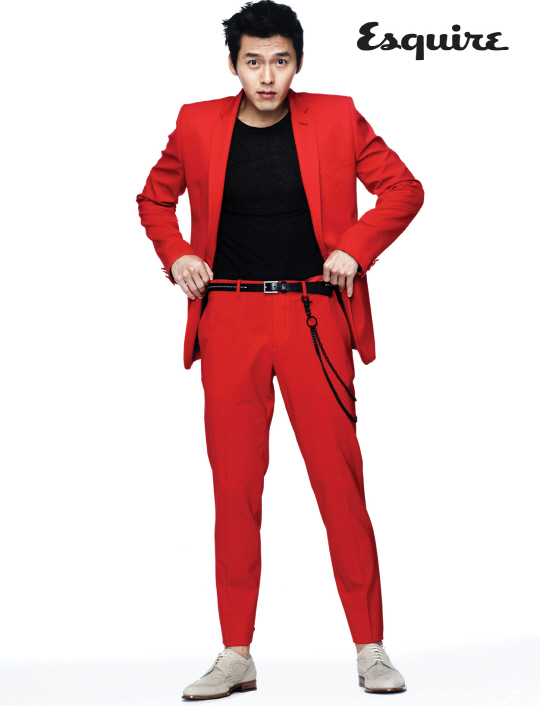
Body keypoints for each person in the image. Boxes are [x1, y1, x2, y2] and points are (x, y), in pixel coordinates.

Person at [136, 0, 424, 698]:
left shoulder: (337, 116)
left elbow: (403, 189)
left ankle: (370, 646)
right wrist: (178, 255)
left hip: (313, 314)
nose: (268, 77)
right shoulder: (195, 122)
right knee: (235, 488)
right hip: (230, 316)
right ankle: (236, 653)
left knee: (339, 482)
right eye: (254, 62)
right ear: (234, 65)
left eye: (281, 61)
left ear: (298, 63)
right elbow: (153, 200)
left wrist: (356, 248)